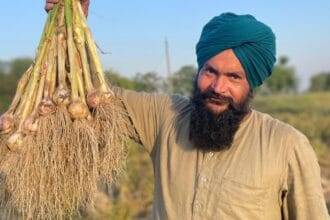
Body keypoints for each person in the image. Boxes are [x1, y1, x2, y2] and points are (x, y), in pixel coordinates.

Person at [45, 1, 329, 219]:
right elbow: (88, 95)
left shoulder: (286, 145)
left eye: (234, 77)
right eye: (210, 71)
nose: (218, 87)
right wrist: (71, 24)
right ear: (199, 68)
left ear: (252, 83)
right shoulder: (165, 117)